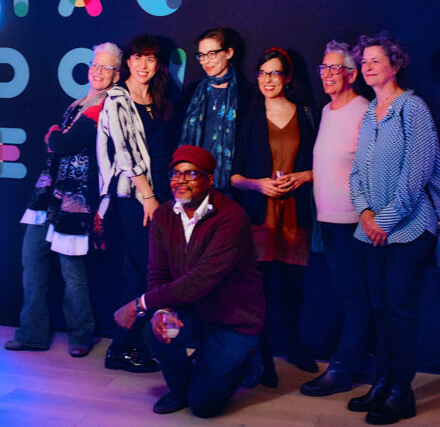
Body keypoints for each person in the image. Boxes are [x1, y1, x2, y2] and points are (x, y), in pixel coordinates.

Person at [113, 145, 264, 418]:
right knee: (155, 329)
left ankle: (246, 359)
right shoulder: (163, 215)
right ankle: (181, 388)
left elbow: (201, 280)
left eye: (191, 174)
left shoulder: (231, 217)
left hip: (233, 319)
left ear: (209, 180)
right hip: (192, 311)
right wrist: (160, 310)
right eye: (175, 173)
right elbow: (157, 272)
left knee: (204, 407)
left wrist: (140, 304)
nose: (180, 180)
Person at [347, 33, 440, 425]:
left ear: (395, 63)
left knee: (401, 313)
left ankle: (401, 393)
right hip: (373, 230)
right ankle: (382, 383)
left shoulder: (413, 108)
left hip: (410, 230)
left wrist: (383, 222)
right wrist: (367, 215)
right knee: (379, 311)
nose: (367, 67)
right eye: (364, 61)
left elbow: (416, 174)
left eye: (375, 60)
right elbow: (357, 173)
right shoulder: (371, 111)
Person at [5, 42, 122, 358]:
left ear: (116, 75)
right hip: (47, 195)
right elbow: (58, 145)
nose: (98, 71)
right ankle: (32, 334)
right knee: (32, 259)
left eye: (106, 67)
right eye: (95, 65)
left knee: (71, 270)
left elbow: (63, 142)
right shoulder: (76, 104)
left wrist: (54, 133)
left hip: (76, 199)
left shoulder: (107, 106)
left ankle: (81, 335)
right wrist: (56, 138)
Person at [230, 47, 318, 387]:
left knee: (294, 289)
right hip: (259, 217)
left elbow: (323, 163)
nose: (268, 80)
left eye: (275, 73)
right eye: (263, 73)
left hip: (296, 216)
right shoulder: (248, 115)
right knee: (260, 290)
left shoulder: (308, 113)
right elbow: (233, 175)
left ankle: (294, 346)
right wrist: (258, 185)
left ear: (288, 77)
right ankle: (263, 357)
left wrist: (303, 176)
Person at [97, 35, 176, 373]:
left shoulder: (157, 95)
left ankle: (127, 347)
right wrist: (149, 198)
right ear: (128, 61)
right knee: (149, 271)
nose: (144, 65)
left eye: (151, 59)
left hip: (160, 191)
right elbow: (126, 155)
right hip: (135, 197)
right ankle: (131, 345)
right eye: (138, 58)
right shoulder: (117, 98)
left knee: (138, 273)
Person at [300, 40, 372, 397]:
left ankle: (343, 370)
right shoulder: (327, 111)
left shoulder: (365, 111)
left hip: (353, 222)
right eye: (323, 68)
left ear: (352, 74)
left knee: (355, 297)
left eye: (334, 68)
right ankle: (352, 363)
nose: (327, 75)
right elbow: (329, 165)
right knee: (347, 295)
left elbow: (372, 169)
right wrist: (301, 177)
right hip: (327, 221)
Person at [178, 27, 251, 192]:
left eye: (212, 54)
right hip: (194, 179)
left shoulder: (246, 93)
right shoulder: (193, 91)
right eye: (201, 55)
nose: (205, 61)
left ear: (228, 53)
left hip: (230, 183)